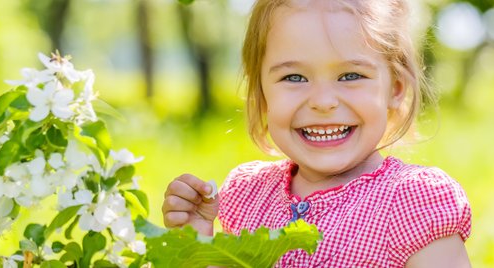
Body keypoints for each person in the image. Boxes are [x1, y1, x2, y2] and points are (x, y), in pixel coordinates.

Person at [162, 0, 472, 267]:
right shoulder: (247, 196)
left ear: (396, 88)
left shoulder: (412, 203)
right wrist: (198, 242)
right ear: (261, 93)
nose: (323, 102)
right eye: (294, 77)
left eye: (351, 75)